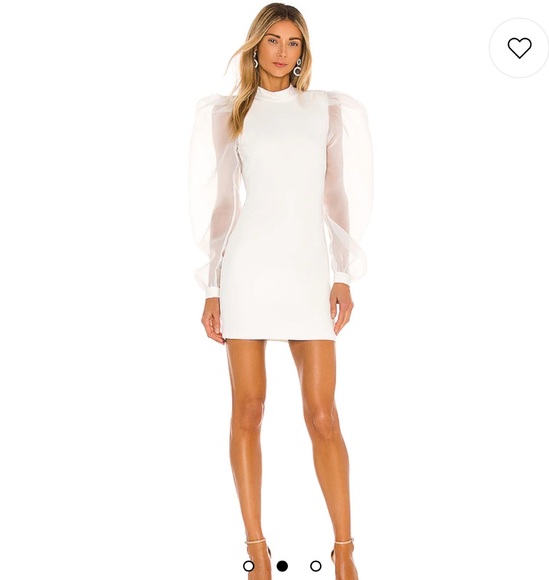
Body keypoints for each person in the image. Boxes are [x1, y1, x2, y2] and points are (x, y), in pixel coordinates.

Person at [188, 3, 373, 579]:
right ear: (255, 45)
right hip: (247, 271)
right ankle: (258, 551)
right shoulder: (230, 113)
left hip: (308, 271)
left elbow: (336, 196)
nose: (282, 52)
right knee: (249, 408)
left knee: (323, 415)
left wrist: (342, 273)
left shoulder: (325, 109)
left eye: (293, 43)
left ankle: (345, 550)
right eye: (273, 40)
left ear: (303, 52)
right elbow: (222, 206)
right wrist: (213, 285)